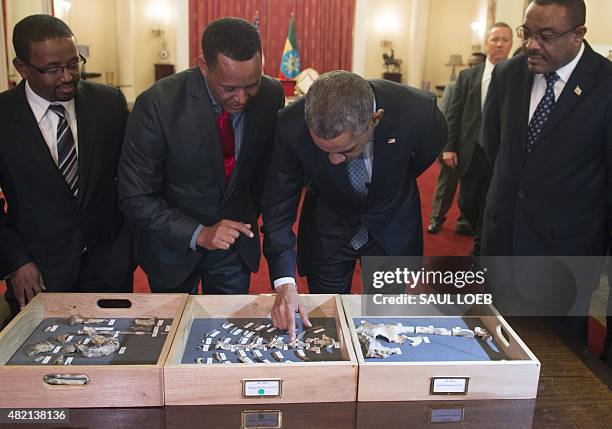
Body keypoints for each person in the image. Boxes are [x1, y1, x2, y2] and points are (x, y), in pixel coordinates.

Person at [262, 71, 446, 339]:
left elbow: (424, 155)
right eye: (324, 151)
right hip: (328, 227)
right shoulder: (291, 125)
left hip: (391, 225)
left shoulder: (417, 111)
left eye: (347, 150)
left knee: (385, 325)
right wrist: (285, 282)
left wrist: (390, 180)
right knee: (327, 325)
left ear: (375, 119)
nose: (334, 160)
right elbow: (278, 204)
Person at [119, 17, 284, 294]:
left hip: (234, 247)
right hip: (172, 248)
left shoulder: (270, 95)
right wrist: (199, 233)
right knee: (176, 333)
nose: (242, 98)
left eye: (251, 85)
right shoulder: (158, 105)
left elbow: (264, 171)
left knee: (228, 331)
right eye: (229, 88)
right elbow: (134, 196)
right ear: (204, 66)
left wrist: (246, 213)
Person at [481, 0, 612, 325]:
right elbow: (494, 146)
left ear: (578, 34)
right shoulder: (508, 74)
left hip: (565, 255)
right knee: (496, 347)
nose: (531, 45)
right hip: (503, 244)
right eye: (527, 33)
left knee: (559, 361)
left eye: (546, 36)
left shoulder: (606, 84)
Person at [0, 15, 134, 313]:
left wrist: (128, 247)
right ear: (21, 68)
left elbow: (133, 179)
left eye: (74, 64)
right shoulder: (3, 116)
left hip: (109, 267)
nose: (67, 76)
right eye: (52, 69)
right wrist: (16, 261)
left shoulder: (109, 103)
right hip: (39, 272)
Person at [440, 23, 513, 256]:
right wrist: (449, 147)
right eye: (495, 39)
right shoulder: (468, 76)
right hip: (472, 149)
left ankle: (481, 246)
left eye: (505, 39)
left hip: (502, 153)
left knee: (492, 203)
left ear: (512, 44)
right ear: (486, 42)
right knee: (468, 201)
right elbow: (454, 112)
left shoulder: (522, 77)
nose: (500, 44)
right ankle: (476, 229)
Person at [427, 52, 486, 235]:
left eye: (475, 63)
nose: (471, 66)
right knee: (446, 186)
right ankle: (436, 219)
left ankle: (464, 221)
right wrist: (446, 147)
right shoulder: (454, 85)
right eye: (469, 63)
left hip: (478, 147)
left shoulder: (491, 85)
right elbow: (445, 114)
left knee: (472, 189)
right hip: (454, 144)